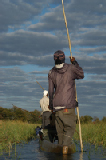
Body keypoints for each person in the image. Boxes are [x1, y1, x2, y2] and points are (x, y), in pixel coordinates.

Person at [48, 50, 84, 154]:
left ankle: (60, 152)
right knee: (69, 128)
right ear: (64, 58)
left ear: (54, 59)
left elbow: (51, 91)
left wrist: (51, 104)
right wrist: (75, 63)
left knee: (60, 132)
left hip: (57, 106)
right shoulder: (71, 68)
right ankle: (65, 150)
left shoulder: (51, 72)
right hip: (68, 105)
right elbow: (81, 74)